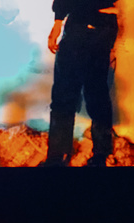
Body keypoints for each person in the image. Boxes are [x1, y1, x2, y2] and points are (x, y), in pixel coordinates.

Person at [45, 0, 119, 167]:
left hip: (83, 26)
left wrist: (58, 20)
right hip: (103, 25)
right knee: (97, 91)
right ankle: (101, 155)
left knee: (65, 93)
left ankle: (58, 158)